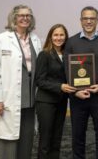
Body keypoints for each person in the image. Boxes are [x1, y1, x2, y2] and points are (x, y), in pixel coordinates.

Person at [0, 5, 42, 159]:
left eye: (28, 15)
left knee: (27, 141)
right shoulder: (2, 39)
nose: (25, 18)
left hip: (30, 100)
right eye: (21, 15)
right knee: (8, 143)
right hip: (8, 100)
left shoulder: (35, 39)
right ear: (14, 18)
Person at [64, 6, 98, 159]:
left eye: (92, 18)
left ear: (97, 20)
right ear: (80, 21)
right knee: (77, 134)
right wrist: (75, 91)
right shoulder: (71, 42)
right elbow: (67, 68)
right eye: (85, 18)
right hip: (77, 96)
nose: (88, 21)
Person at [35, 24, 77, 159]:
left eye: (61, 35)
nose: (59, 38)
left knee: (57, 138)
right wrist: (60, 86)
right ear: (50, 37)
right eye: (55, 35)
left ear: (66, 37)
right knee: (46, 139)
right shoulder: (44, 54)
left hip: (61, 101)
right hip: (46, 102)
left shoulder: (68, 55)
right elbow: (40, 81)